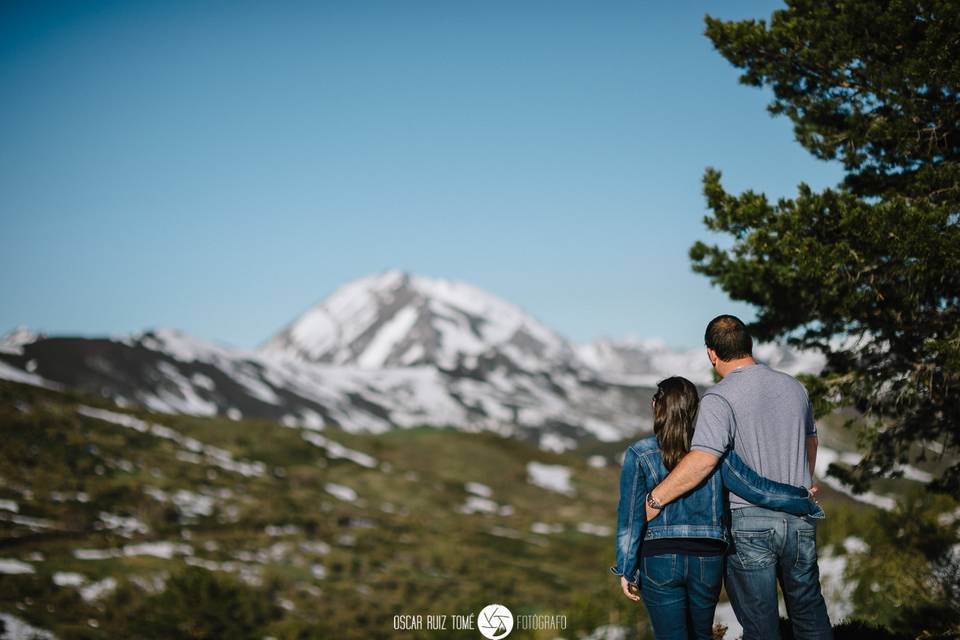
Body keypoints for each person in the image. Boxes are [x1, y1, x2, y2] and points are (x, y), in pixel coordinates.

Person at [643, 315, 832, 640]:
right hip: (799, 518)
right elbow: (811, 441)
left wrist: (654, 499)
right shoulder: (795, 387)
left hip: (748, 525)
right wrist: (802, 481)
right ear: (749, 346)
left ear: (711, 354)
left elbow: (703, 459)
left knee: (761, 627)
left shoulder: (718, 398)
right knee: (811, 617)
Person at [611, 376, 822, 640]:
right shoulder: (715, 451)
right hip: (708, 558)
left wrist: (626, 568)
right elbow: (756, 488)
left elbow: (630, 516)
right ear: (695, 410)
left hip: (659, 558)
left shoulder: (640, 453)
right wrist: (800, 497)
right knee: (702, 635)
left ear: (656, 406)